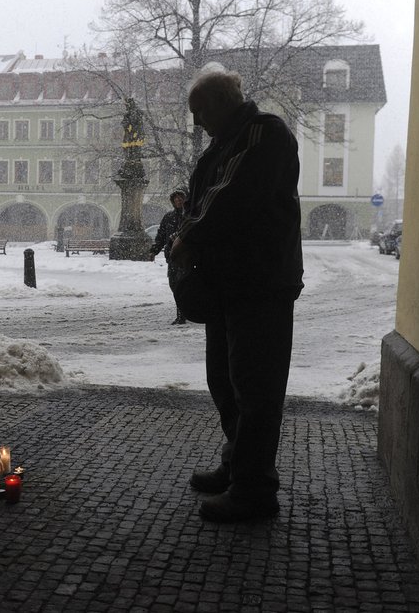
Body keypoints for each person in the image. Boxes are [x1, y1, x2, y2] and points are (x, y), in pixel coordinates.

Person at [170, 66, 303, 522]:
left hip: (261, 283)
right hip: (228, 283)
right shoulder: (222, 145)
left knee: (256, 388)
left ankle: (254, 489)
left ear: (225, 100)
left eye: (201, 110)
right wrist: (189, 230)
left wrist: (189, 237)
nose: (197, 121)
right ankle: (236, 464)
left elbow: (231, 197)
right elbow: (199, 199)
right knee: (225, 380)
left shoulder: (265, 134)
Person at [149, 188, 188, 324]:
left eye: (180, 198)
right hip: (172, 257)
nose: (178, 201)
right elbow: (161, 236)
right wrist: (154, 250)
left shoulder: (190, 216)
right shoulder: (169, 217)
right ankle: (182, 313)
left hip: (186, 258)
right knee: (174, 285)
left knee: (183, 286)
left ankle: (183, 314)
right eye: (175, 199)